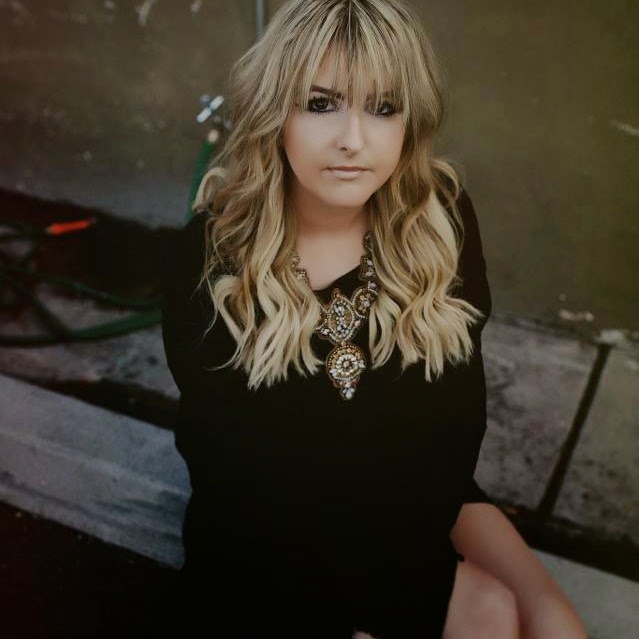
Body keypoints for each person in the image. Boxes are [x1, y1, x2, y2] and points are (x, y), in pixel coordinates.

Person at [161, 1, 588, 637]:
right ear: (275, 111)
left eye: (383, 107)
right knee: (490, 612)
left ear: (411, 121)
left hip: (415, 506)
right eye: (321, 104)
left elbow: (451, 437)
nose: (353, 140)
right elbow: (240, 487)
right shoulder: (209, 263)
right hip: (265, 557)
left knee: (554, 627)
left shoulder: (438, 223)